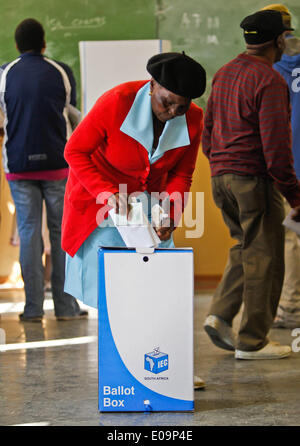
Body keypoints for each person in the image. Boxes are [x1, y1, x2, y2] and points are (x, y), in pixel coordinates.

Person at [61, 52, 206, 388]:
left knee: (160, 287)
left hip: (150, 209)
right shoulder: (116, 102)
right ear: (152, 85)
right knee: (116, 293)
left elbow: (183, 173)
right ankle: (127, 367)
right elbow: (75, 151)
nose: (173, 113)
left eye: (181, 107)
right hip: (101, 206)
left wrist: (172, 210)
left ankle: (168, 366)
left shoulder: (194, 118)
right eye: (167, 102)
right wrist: (106, 192)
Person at [202, 10, 300, 360]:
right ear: (278, 40)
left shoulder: (225, 72)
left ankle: (220, 315)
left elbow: (208, 130)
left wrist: (219, 165)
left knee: (244, 246)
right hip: (252, 180)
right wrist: (293, 194)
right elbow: (276, 148)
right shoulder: (270, 80)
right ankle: (253, 341)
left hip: (220, 177)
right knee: (265, 256)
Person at [0, 18, 87, 322]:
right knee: (61, 234)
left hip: (18, 165)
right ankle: (65, 308)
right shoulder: (62, 71)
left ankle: (33, 309)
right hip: (57, 165)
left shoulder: (4, 73)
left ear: (17, 45)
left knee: (28, 233)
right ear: (44, 43)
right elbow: (73, 114)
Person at [261, 4, 300, 329]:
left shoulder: (266, 68)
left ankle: (288, 308)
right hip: (287, 165)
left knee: (290, 238)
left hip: (284, 166)